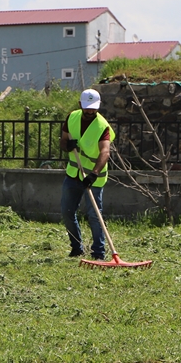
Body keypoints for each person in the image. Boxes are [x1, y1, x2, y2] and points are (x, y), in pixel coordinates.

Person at [60, 88, 116, 260]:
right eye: (87, 107)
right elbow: (63, 141)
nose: (90, 111)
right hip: (73, 174)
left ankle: (98, 253)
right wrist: (67, 146)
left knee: (94, 215)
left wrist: (94, 174)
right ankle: (76, 248)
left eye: (93, 108)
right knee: (67, 212)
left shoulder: (102, 126)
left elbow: (105, 152)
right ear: (80, 105)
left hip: (93, 177)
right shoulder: (72, 117)